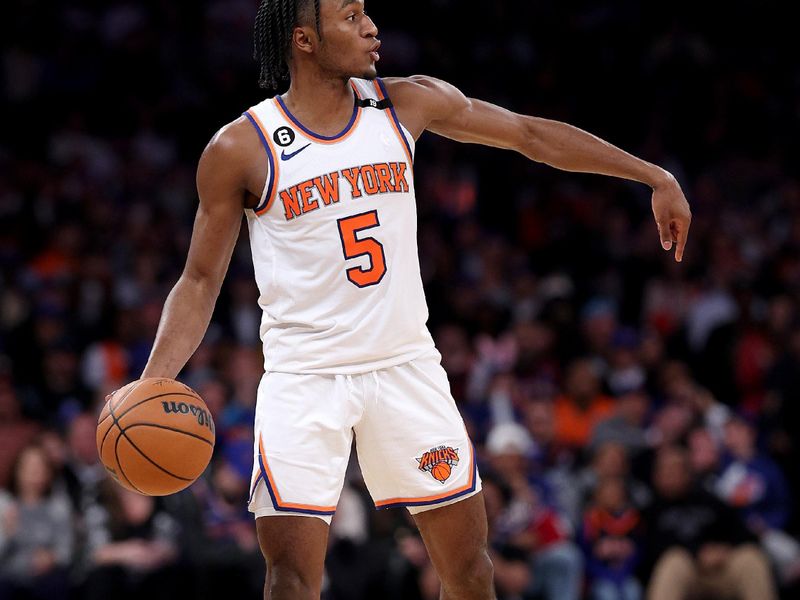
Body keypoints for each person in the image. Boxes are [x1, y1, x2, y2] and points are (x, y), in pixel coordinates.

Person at [135, 1, 691, 598]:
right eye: (349, 17)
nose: (371, 27)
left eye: (365, 13)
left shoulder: (407, 102)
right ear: (303, 39)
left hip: (405, 365)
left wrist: (651, 174)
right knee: (293, 578)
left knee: (471, 569)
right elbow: (198, 281)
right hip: (304, 377)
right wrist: (152, 382)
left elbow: (529, 135)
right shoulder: (240, 147)